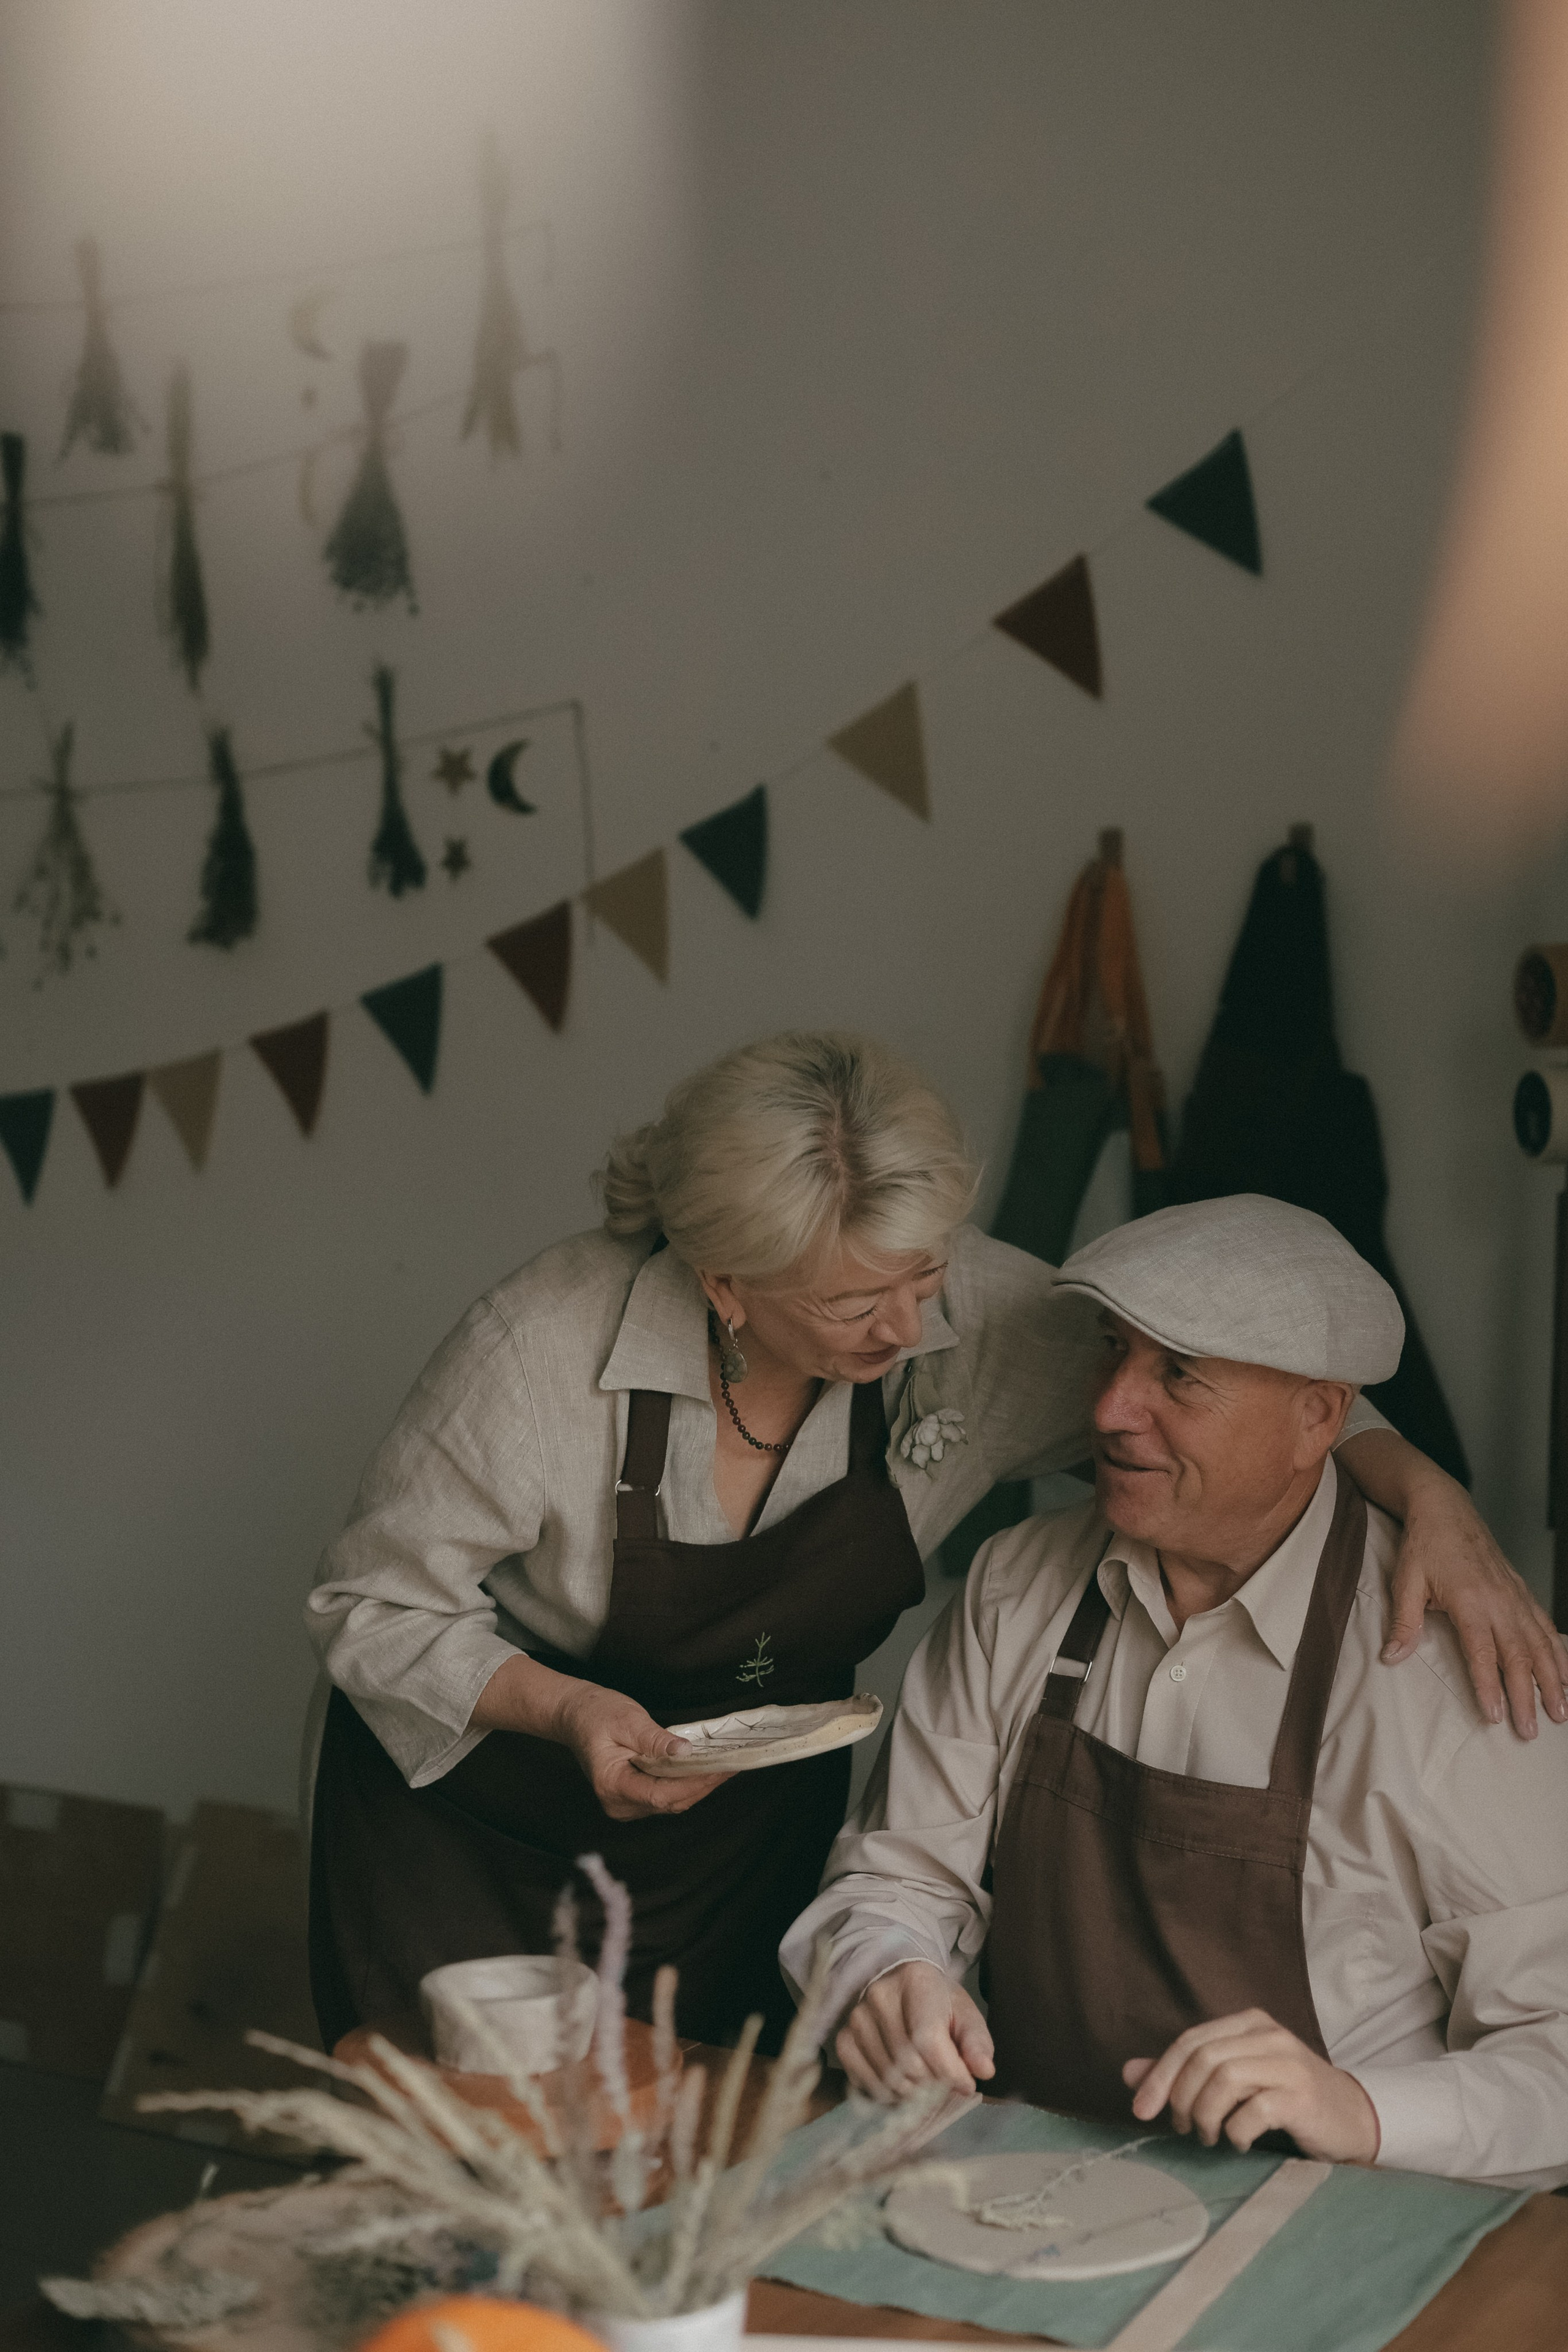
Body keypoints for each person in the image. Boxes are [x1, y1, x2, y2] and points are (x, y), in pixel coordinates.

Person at [305, 1033, 1561, 2057]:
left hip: (741, 1841)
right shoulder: (539, 1349)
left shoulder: (961, 1309)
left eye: (924, 1276)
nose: (910, 1330)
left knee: (705, 2185)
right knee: (463, 2197)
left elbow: (1249, 1390)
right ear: (725, 1283)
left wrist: (1427, 1495)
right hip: (489, 1834)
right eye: (856, 1303)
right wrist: (567, 1710)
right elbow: (370, 1605)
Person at [790, 1197, 1568, 2190]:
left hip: (1333, 2215)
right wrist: (886, 1970)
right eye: (1112, 1351)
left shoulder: (1459, 1667)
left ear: (1318, 1418)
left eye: (1180, 1374)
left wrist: (1360, 2110)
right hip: (1025, 2185)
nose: (1110, 1408)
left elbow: (1556, 2054)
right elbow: (897, 1877)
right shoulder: (1016, 1585)